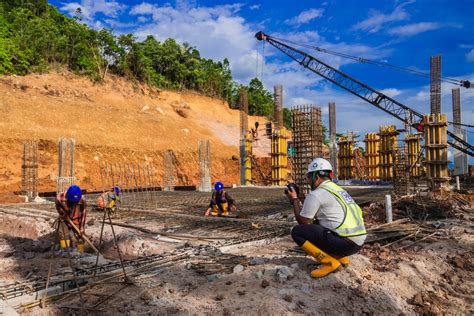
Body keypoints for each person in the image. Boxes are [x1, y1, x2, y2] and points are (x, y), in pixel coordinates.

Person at [286, 158, 366, 278]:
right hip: (358, 243)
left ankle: (330, 263)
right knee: (318, 223)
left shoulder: (316, 194)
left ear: (316, 177)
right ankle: (341, 258)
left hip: (344, 244)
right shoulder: (339, 190)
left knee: (298, 231)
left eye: (309, 178)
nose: (308, 181)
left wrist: (294, 200)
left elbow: (303, 221)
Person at [55, 184, 88, 252]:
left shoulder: (82, 199)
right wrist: (64, 215)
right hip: (64, 218)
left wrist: (81, 228)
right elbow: (58, 208)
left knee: (79, 237)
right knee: (64, 235)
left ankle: (80, 252)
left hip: (76, 219)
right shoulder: (60, 198)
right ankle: (65, 251)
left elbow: (83, 214)